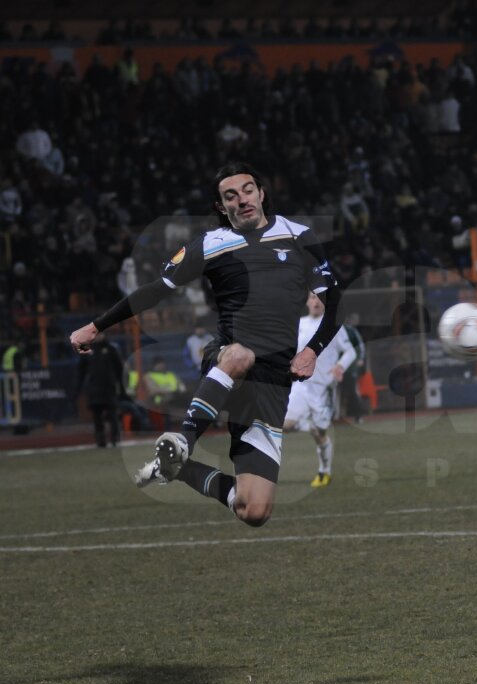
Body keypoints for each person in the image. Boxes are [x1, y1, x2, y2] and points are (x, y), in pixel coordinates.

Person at [69, 162, 341, 527]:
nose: (241, 199)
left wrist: (312, 351)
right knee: (240, 354)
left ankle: (177, 468)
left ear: (261, 193)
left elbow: (335, 301)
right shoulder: (210, 244)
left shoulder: (299, 236)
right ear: (221, 206)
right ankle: (183, 440)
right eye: (231, 195)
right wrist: (95, 326)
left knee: (254, 510)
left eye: (248, 190)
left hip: (273, 383)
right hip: (228, 361)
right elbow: (155, 291)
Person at [283, 292, 359, 487]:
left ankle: (325, 471)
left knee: (321, 434)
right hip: (301, 386)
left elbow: (350, 351)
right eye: (312, 298)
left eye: (319, 298)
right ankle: (309, 426)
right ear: (307, 301)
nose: (315, 301)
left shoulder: (332, 326)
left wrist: (340, 366)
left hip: (323, 389)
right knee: (283, 424)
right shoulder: (299, 324)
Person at [74, 331, 126, 447]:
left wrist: (122, 388)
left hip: (109, 388)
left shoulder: (112, 349)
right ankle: (100, 440)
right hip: (94, 388)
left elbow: (120, 370)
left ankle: (115, 438)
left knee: (112, 414)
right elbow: (81, 372)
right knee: (97, 416)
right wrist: (77, 389)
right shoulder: (86, 350)